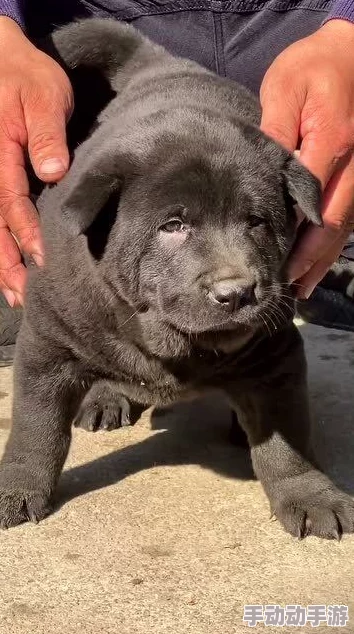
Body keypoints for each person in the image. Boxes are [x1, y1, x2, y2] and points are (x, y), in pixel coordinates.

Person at [0, 0, 354, 362]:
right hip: (88, 62)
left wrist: (349, 30)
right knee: (58, 323)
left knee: (278, 315)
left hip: (309, 37)